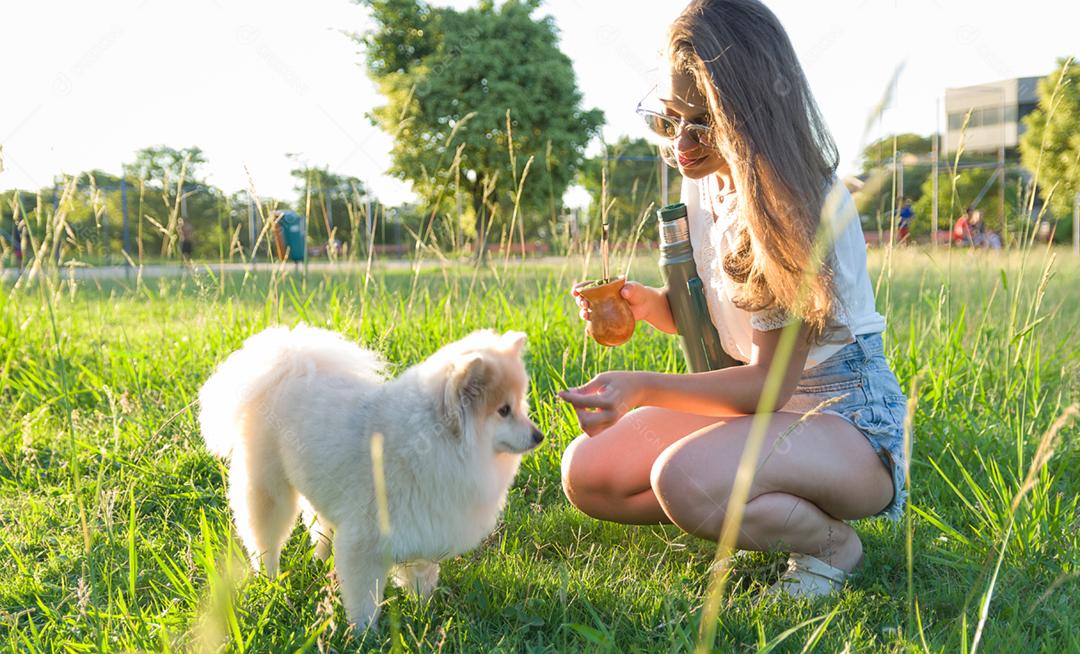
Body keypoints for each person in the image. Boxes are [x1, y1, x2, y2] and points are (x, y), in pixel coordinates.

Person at [558, 0, 909, 599]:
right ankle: (755, 495)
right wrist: (650, 306)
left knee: (684, 478)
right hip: (760, 415)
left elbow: (770, 382)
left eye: (705, 123)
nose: (682, 144)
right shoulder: (707, 180)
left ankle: (829, 546)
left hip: (845, 420)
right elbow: (736, 327)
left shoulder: (792, 204)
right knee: (589, 473)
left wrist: (640, 386)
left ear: (753, 119)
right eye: (669, 119)